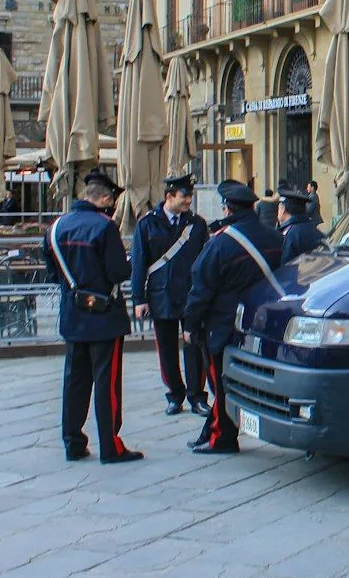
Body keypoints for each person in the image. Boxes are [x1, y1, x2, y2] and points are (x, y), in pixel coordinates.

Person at [45, 169, 143, 464]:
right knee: (106, 383)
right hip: (104, 317)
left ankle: (73, 442)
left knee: (74, 380)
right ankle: (111, 447)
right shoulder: (104, 228)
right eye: (111, 200)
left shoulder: (56, 227)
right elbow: (118, 272)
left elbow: (53, 274)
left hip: (72, 315)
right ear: (103, 198)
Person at [182, 180, 283, 454]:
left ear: (227, 208)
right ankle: (212, 430)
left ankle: (222, 438)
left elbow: (201, 290)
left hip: (222, 325)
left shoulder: (220, 243)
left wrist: (190, 325)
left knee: (221, 383)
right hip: (260, 325)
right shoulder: (275, 238)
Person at [131, 175, 211, 417]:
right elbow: (139, 263)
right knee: (166, 349)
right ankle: (175, 395)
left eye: (190, 195)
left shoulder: (197, 224)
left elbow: (205, 260)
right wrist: (138, 299)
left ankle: (197, 396)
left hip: (191, 295)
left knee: (194, 346)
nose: (188, 200)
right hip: (161, 294)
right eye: (184, 196)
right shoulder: (148, 224)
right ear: (169, 197)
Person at [278, 188, 325, 264]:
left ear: (283, 209)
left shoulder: (289, 235)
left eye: (279, 208)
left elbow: (285, 266)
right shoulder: (316, 231)